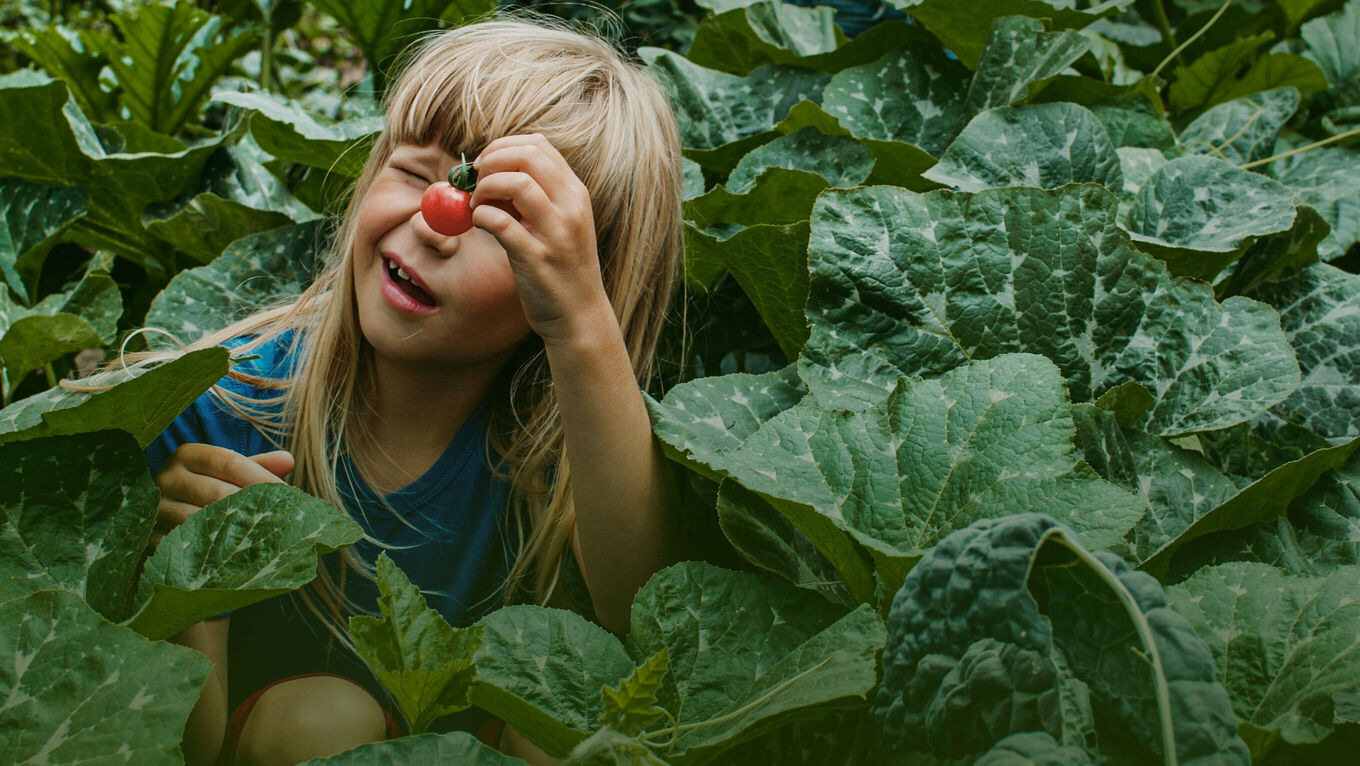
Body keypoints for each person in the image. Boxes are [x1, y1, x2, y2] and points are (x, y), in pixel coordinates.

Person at [140, 15, 685, 766]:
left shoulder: (576, 464)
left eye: (503, 220)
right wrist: (187, 586)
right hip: (268, 740)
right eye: (416, 171)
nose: (437, 220)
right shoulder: (217, 413)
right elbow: (171, 749)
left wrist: (582, 325)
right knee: (320, 722)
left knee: (572, 709)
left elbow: (644, 616)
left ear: (573, 281)